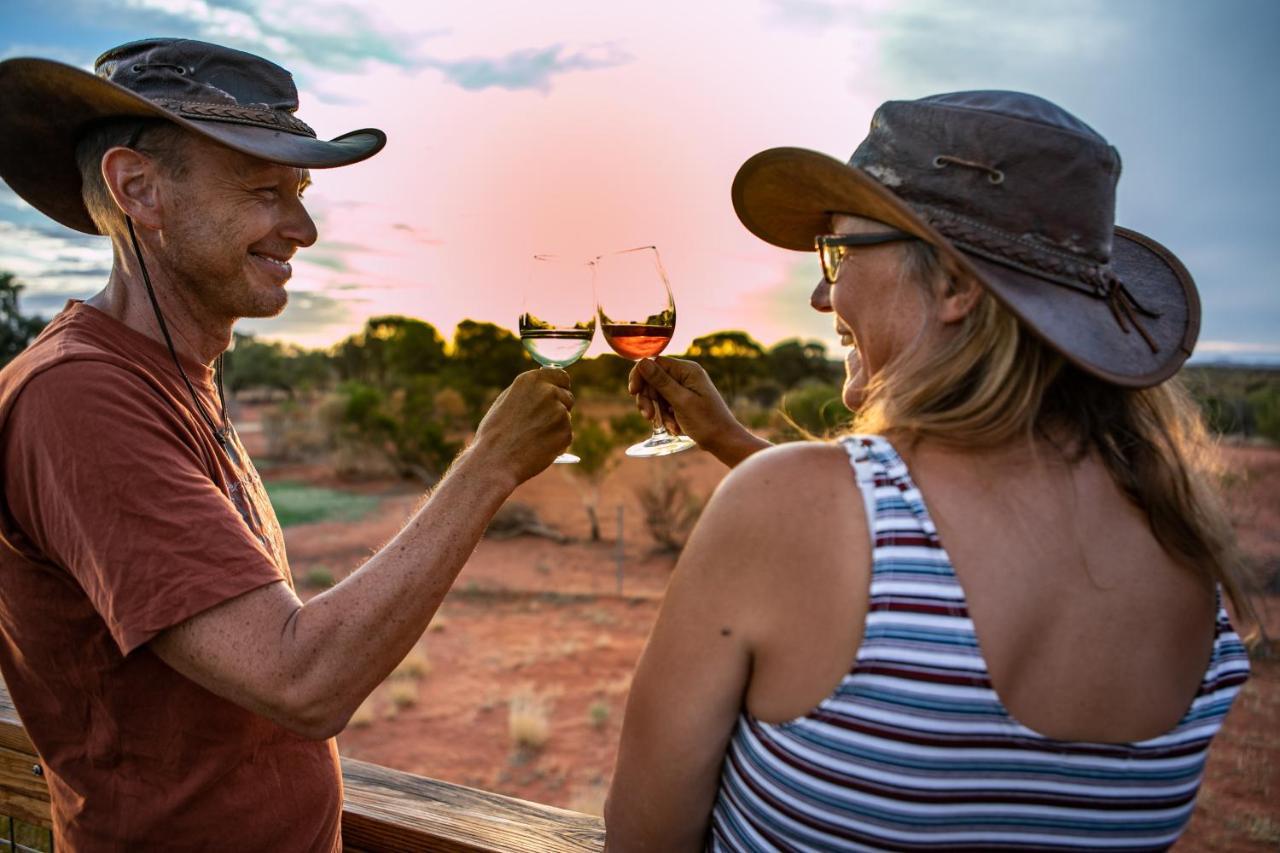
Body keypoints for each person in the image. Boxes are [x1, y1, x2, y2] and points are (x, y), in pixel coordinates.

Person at [606, 91, 1253, 850]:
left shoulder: (786, 510)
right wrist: (727, 437)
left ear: (954, 283)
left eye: (838, 252)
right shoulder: (1185, 553)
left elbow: (643, 839)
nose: (822, 292)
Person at [0, 39, 572, 849]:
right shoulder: (77, 398)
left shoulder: (171, 374)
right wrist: (489, 465)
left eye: (299, 192)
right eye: (265, 190)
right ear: (140, 189)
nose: (302, 228)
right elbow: (301, 677)